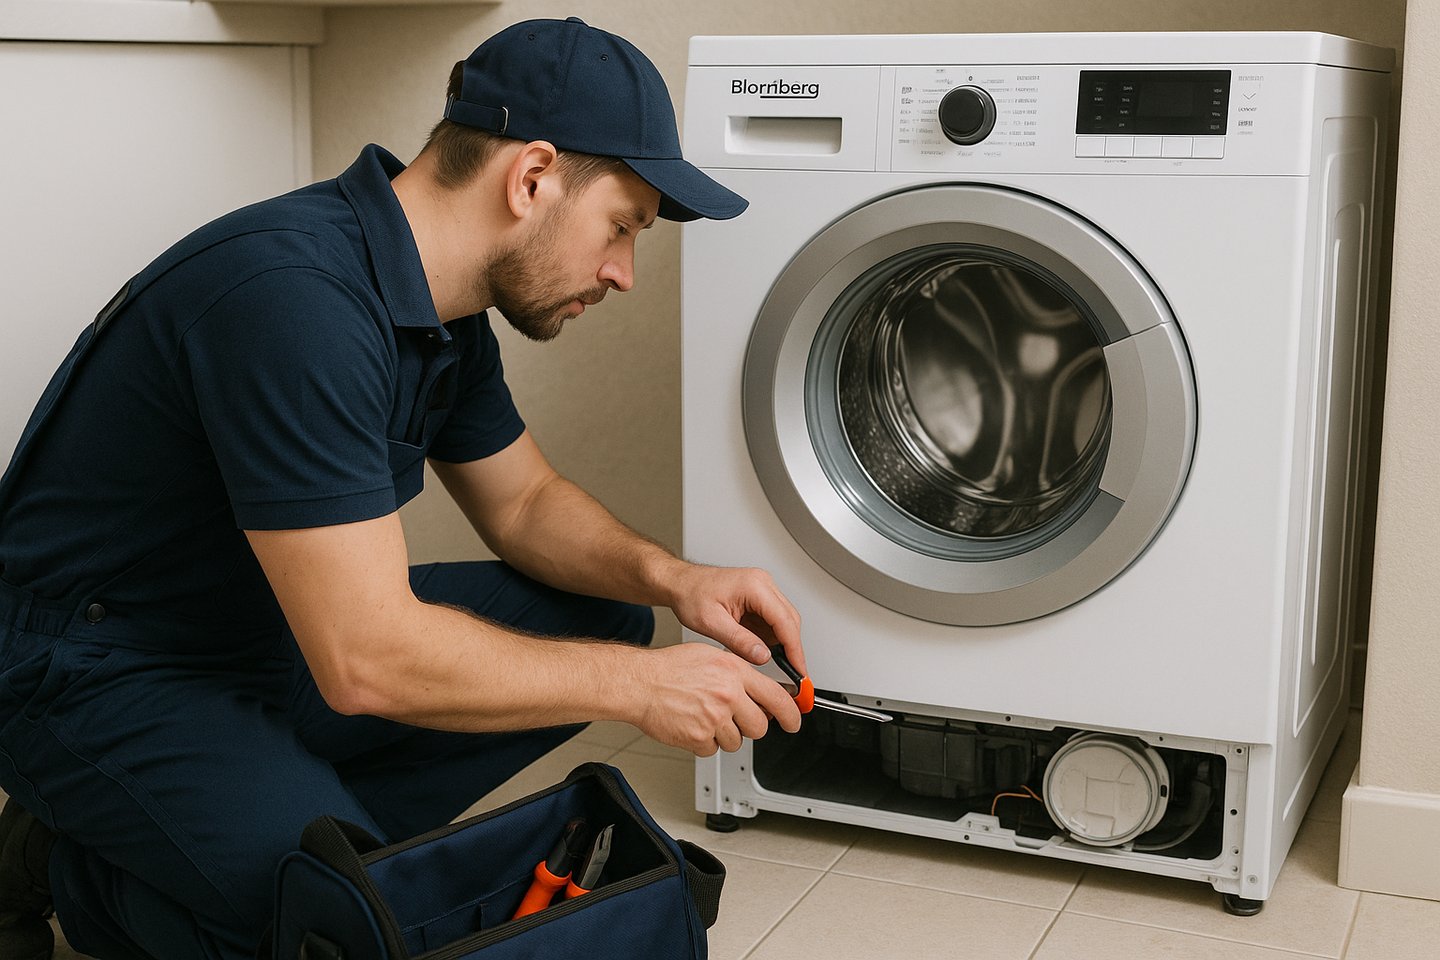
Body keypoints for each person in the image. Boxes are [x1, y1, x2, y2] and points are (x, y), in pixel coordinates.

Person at [0, 17, 806, 960]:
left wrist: (676, 582)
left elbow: (524, 504)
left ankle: (294, 835)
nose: (622, 272)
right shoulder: (294, 297)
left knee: (607, 616)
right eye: (621, 227)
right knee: (341, 935)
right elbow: (368, 659)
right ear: (532, 176)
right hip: (96, 671)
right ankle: (65, 862)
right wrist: (642, 689)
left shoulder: (443, 310)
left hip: (261, 636)